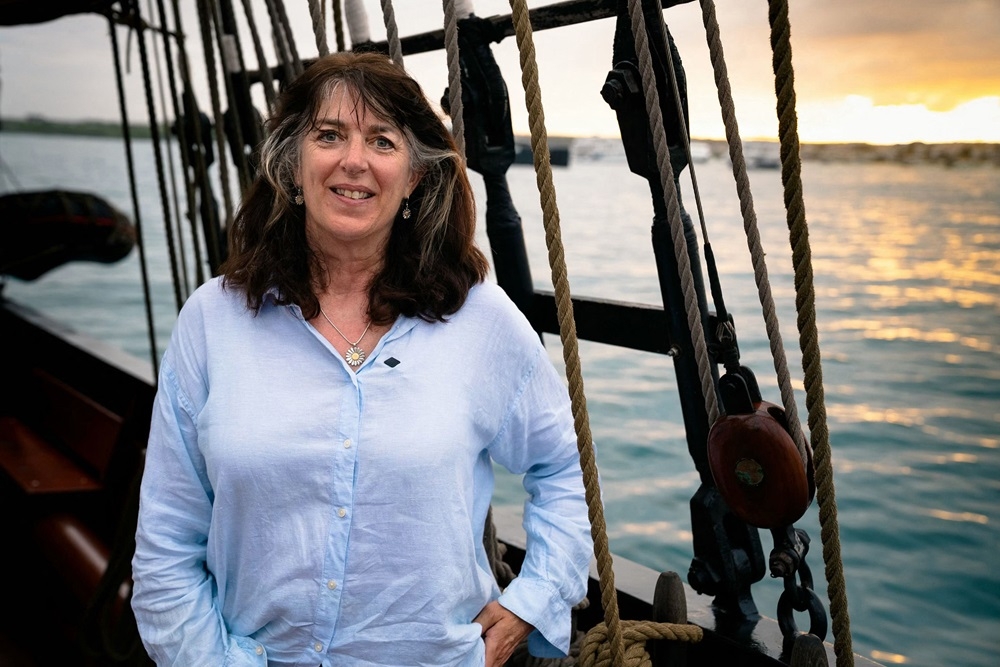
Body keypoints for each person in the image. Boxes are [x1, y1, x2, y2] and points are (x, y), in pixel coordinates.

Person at [131, 51, 593, 667]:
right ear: (293, 165)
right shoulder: (213, 320)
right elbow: (166, 541)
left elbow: (566, 472)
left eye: (382, 140)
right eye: (329, 136)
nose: (354, 161)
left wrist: (532, 601)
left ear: (416, 177)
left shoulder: (482, 321)